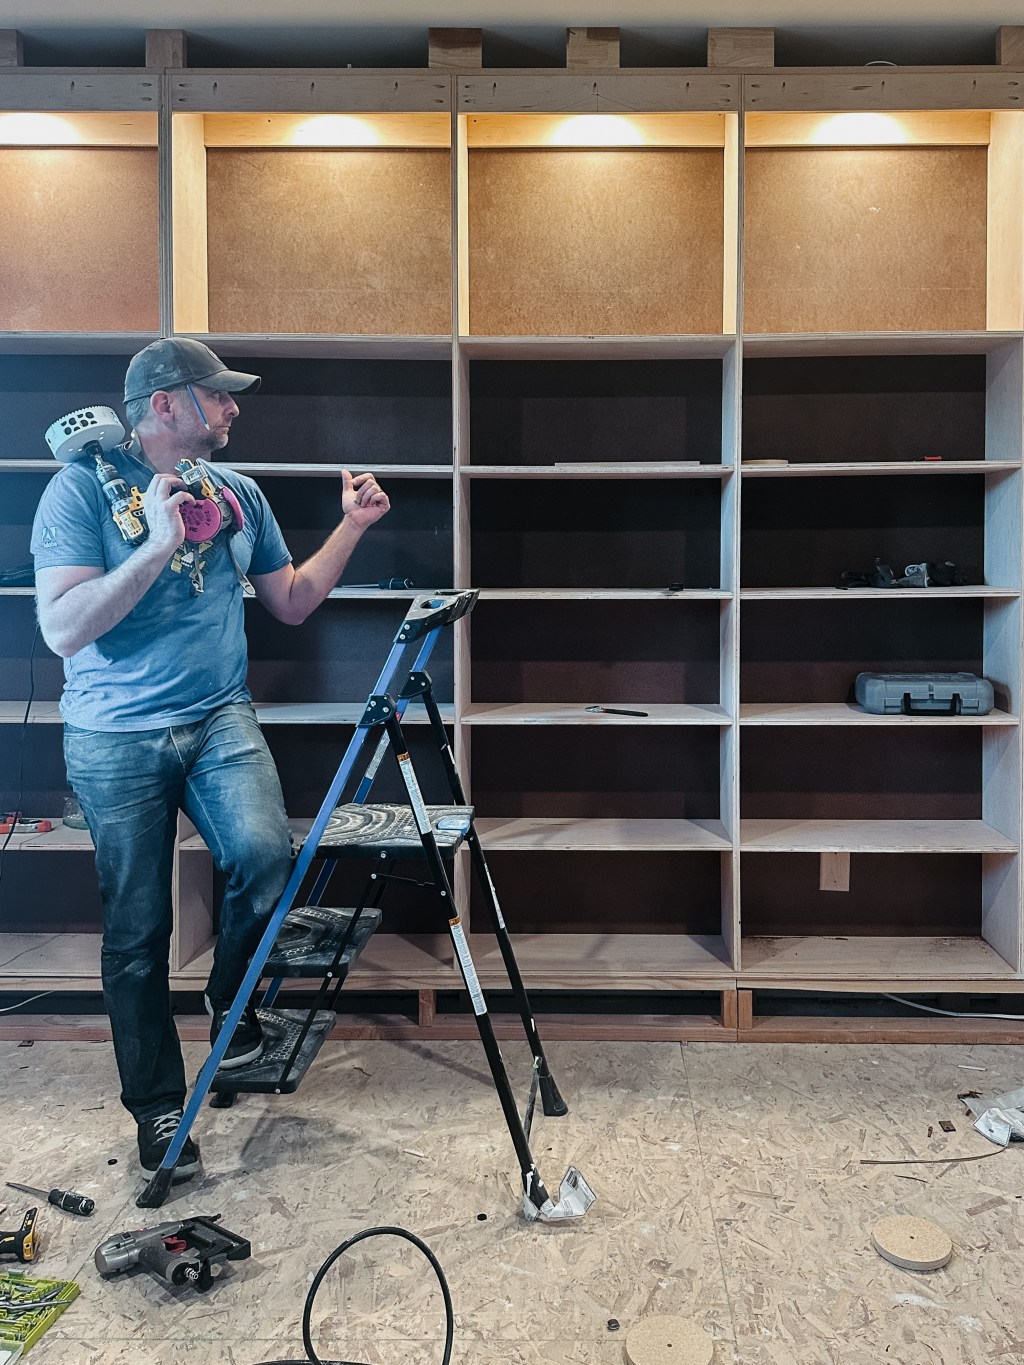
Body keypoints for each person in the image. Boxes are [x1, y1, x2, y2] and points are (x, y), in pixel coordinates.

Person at [30, 337, 390, 1182]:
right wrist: (154, 542)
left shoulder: (237, 494)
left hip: (217, 718)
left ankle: (230, 1011)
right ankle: (158, 1107)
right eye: (217, 396)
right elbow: (63, 627)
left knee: (266, 857)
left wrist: (353, 525)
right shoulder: (78, 492)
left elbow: (293, 601)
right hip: (114, 738)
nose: (232, 409)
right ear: (163, 405)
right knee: (138, 930)